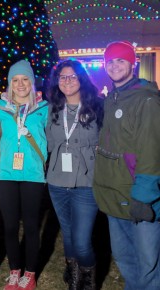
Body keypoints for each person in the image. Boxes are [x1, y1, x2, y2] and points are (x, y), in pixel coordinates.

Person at [93, 41, 160, 290]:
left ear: (133, 64)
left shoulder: (147, 100)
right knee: (124, 257)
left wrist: (144, 196)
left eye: (121, 60)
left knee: (148, 264)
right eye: (110, 61)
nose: (115, 65)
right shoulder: (112, 98)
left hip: (138, 196)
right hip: (114, 194)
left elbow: (152, 151)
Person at [46, 59, 103, 289]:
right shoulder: (51, 108)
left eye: (72, 76)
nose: (67, 81)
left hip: (86, 183)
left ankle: (87, 281)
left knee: (81, 242)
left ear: (82, 79)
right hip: (57, 182)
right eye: (62, 77)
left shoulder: (98, 107)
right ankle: (73, 274)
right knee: (68, 235)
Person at [0, 59, 48, 290]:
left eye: (25, 79)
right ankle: (15, 270)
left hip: (33, 174)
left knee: (32, 226)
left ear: (32, 82)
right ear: (9, 83)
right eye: (15, 80)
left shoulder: (44, 108)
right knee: (10, 226)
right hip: (5, 173)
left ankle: (30, 273)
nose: (20, 84)